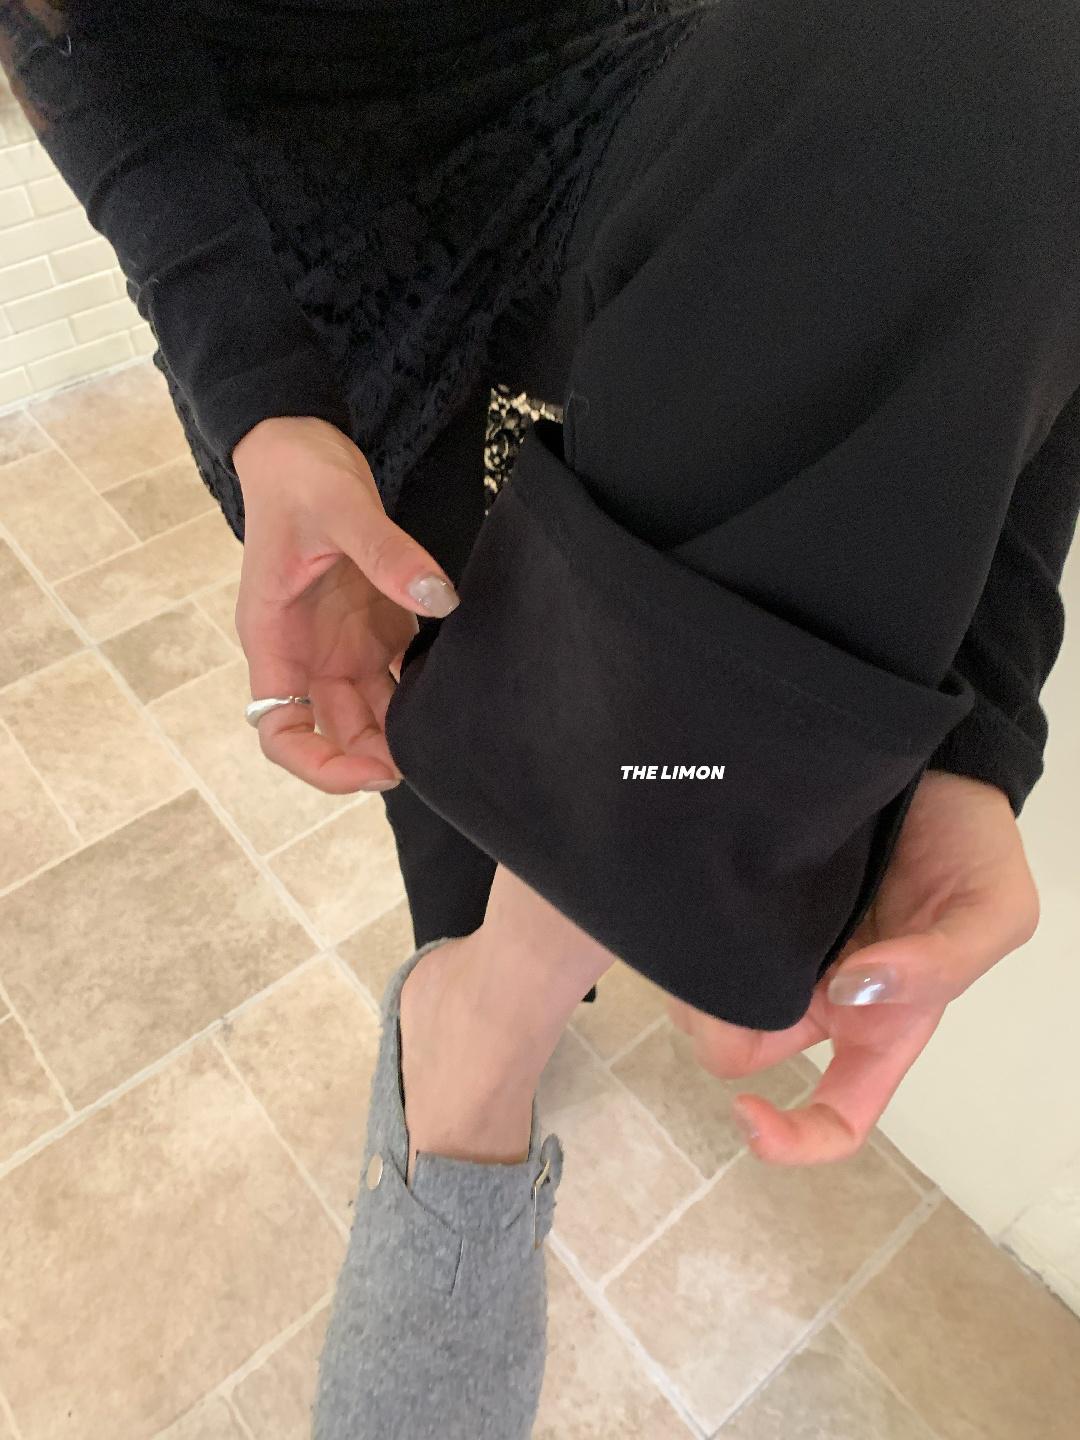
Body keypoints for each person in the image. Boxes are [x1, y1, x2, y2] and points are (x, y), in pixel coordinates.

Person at [4, 1, 1076, 1435]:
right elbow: (85, 46)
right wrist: (262, 399)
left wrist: (979, 735)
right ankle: (482, 1022)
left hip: (642, 114)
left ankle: (489, 1009)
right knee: (456, 754)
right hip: (326, 271)